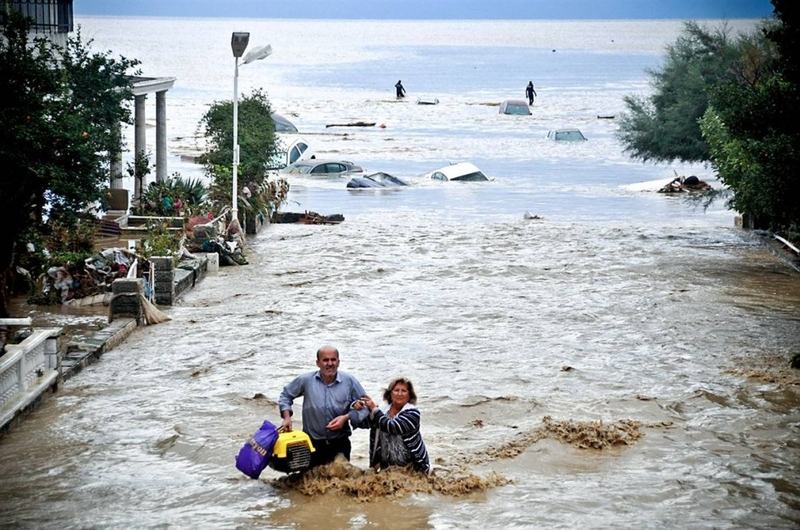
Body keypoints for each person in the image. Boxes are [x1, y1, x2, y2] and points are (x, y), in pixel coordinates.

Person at [278, 345, 368, 467]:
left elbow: (366, 405)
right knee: (309, 481)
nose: (330, 363)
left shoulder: (349, 381)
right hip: (311, 444)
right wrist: (287, 417)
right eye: (325, 360)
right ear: (318, 363)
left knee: (340, 481)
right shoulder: (306, 380)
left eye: (333, 359)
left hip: (340, 443)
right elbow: (285, 396)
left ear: (338, 362)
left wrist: (346, 417)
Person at [353, 377, 430, 473]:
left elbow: (392, 426)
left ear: (410, 395)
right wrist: (358, 408)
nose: (400, 394)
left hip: (412, 467)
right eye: (396, 390)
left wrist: (374, 409)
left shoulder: (413, 413)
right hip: (387, 467)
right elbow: (362, 423)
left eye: (404, 391)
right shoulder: (382, 411)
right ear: (390, 394)